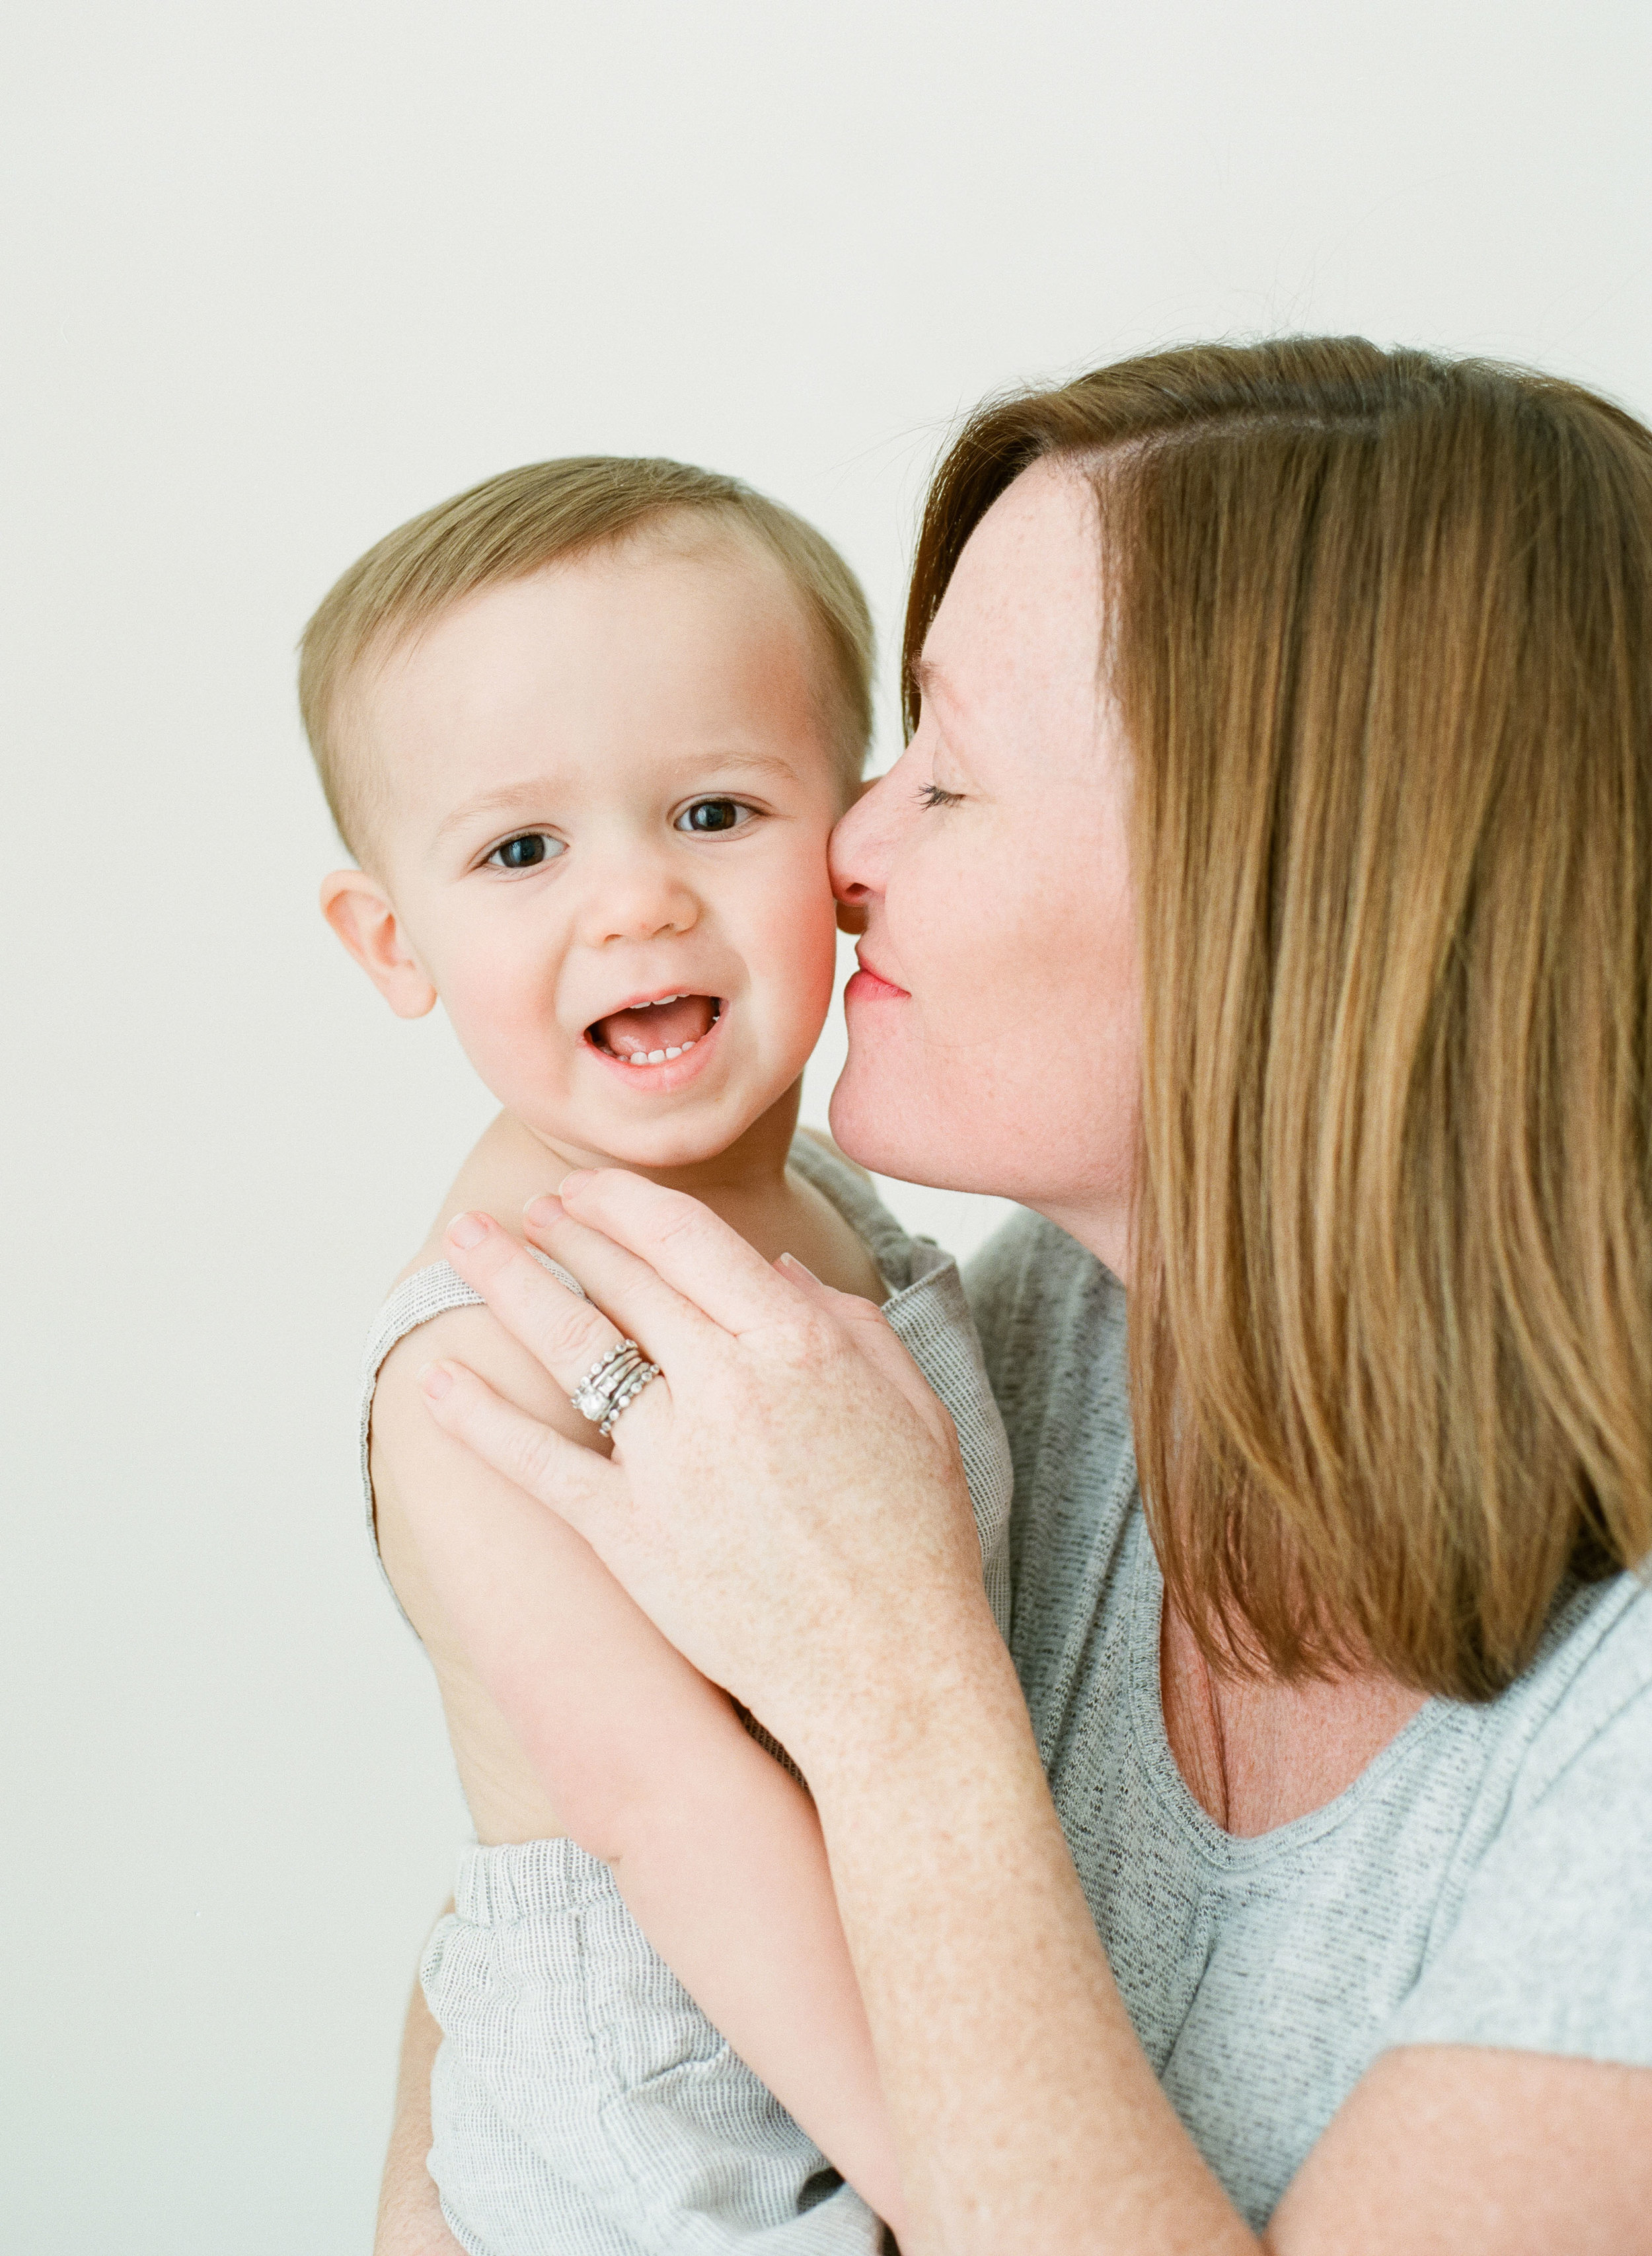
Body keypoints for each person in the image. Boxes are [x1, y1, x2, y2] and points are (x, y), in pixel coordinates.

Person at [391, 338, 1652, 2253]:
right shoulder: (1047, 1339)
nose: (849, 851)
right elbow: (502, 2027)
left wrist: (894, 1679)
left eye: (948, 778)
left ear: (1277, 891)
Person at [302, 457, 1016, 2253]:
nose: (632, 905)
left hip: (902, 1992)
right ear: (394, 940)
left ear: (849, 845)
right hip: (675, 2120)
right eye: (521, 850)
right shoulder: (486, 1367)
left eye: (712, 812)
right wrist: (966, 2191)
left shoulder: (836, 1197)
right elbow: (658, 1804)